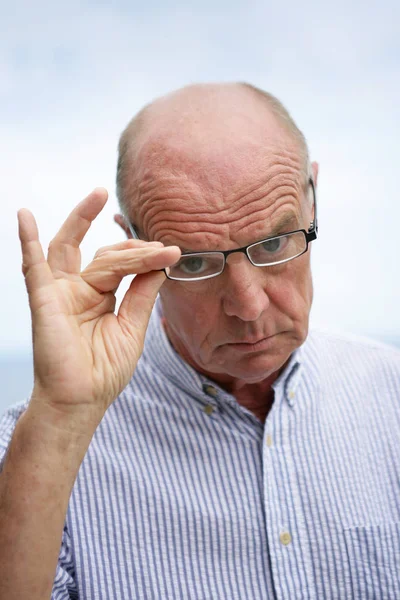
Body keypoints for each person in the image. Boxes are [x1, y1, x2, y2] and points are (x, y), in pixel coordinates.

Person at [0, 82, 399, 600]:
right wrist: (59, 418)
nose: (248, 306)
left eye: (276, 242)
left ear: (312, 201)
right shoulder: (41, 447)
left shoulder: (391, 397)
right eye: (193, 262)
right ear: (135, 246)